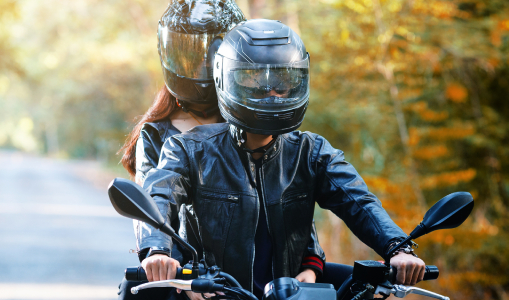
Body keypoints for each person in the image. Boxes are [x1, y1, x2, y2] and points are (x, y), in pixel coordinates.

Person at [139, 19, 425, 300]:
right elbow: (159, 195)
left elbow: (358, 201)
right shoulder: (190, 149)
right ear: (225, 80)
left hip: (289, 292)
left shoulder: (311, 152)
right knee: (136, 293)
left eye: (282, 85)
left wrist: (398, 249)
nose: (272, 96)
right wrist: (159, 252)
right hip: (211, 292)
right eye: (257, 85)